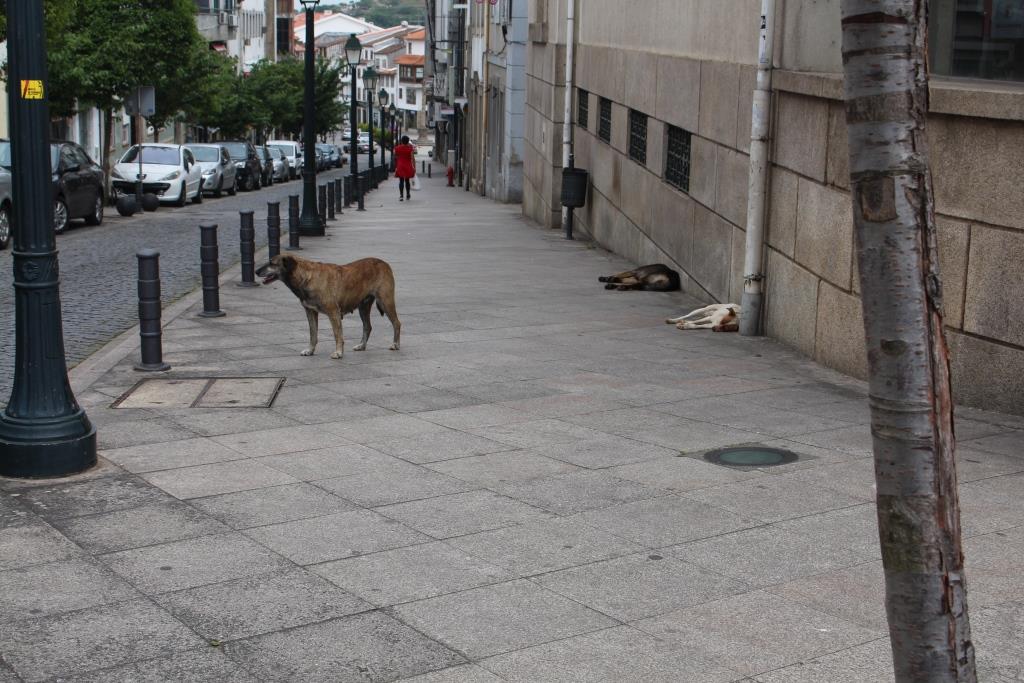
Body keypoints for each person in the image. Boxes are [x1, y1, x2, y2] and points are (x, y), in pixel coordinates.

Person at [394, 135, 416, 201]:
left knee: (401, 180)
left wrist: (396, 166)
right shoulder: (410, 148)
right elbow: (412, 158)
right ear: (407, 141)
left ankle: (401, 195)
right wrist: (414, 167)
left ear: (401, 141)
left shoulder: (397, 148)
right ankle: (408, 194)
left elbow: (395, 157)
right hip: (408, 166)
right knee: (407, 181)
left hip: (400, 166)